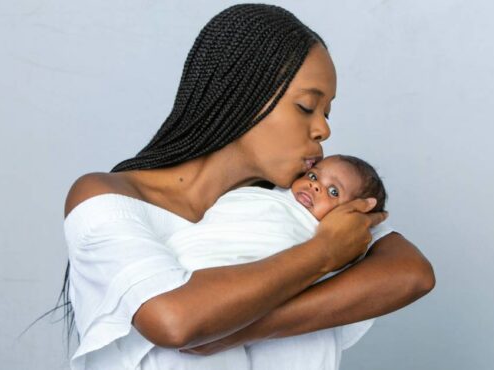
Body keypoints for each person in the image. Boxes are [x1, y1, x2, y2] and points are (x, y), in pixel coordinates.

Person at [62, 4, 435, 370]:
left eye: (327, 113)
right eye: (307, 107)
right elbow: (174, 320)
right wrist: (323, 252)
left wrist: (243, 328)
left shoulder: (296, 202)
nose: (324, 130)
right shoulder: (108, 198)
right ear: (241, 95)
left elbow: (410, 272)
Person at [164, 154, 388, 370]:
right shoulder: (266, 197)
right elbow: (229, 223)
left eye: (333, 191)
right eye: (313, 176)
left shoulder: (341, 238)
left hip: (275, 310)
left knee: (313, 337)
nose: (315, 186)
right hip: (207, 282)